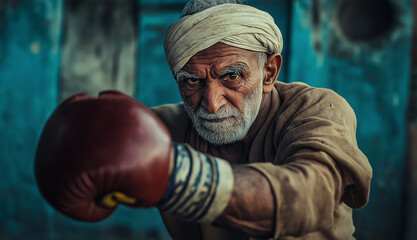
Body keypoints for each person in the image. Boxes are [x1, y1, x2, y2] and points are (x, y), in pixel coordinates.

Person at [34, 0, 372, 240]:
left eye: (231, 77)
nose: (210, 104)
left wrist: (177, 175)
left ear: (269, 72)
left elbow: (312, 192)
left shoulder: (319, 109)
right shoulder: (162, 131)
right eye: (191, 81)